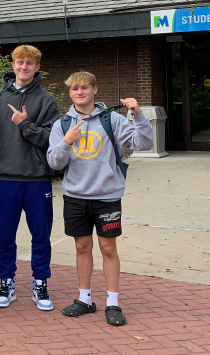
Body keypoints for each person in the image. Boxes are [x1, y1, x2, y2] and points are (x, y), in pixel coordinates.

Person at [47, 71, 153, 326]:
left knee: (108, 249)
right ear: (70, 93)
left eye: (84, 88)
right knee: (82, 247)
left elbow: (145, 143)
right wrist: (66, 142)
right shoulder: (62, 125)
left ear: (95, 90)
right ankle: (84, 299)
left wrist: (138, 114)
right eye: (74, 89)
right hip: (75, 196)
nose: (79, 92)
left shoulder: (112, 120)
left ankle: (113, 303)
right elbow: (54, 162)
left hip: (107, 196)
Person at [0, 44, 59, 311]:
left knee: (40, 236)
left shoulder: (46, 100)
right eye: (19, 62)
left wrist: (24, 125)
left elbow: (50, 139)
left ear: (37, 67)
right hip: (5, 177)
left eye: (29, 63)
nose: (23, 67)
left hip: (37, 177)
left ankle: (40, 282)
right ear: (13, 64)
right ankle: (6, 282)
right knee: (5, 236)